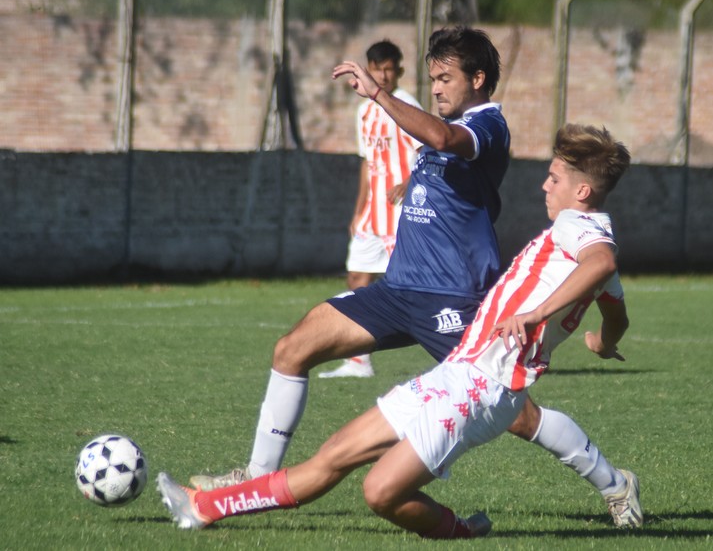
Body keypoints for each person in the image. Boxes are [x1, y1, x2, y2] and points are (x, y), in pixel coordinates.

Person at [190, 27, 628, 523]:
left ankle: (612, 483)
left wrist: (378, 94)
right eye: (432, 79)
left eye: (445, 78)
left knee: (519, 415)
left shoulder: (488, 125)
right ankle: (255, 474)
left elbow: (445, 140)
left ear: (478, 79)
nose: (435, 88)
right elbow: (443, 161)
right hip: (398, 289)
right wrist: (413, 186)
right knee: (293, 347)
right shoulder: (452, 123)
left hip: (452, 298)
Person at [319, 40, 423, 379]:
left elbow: (429, 149)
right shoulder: (363, 110)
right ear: (368, 69)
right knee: (356, 278)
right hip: (372, 213)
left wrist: (409, 182)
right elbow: (367, 161)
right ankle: (358, 361)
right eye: (377, 68)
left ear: (400, 71)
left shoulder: (406, 104)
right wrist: (358, 208)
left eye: (389, 68)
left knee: (416, 284)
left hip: (401, 211)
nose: (383, 74)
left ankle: (460, 347)